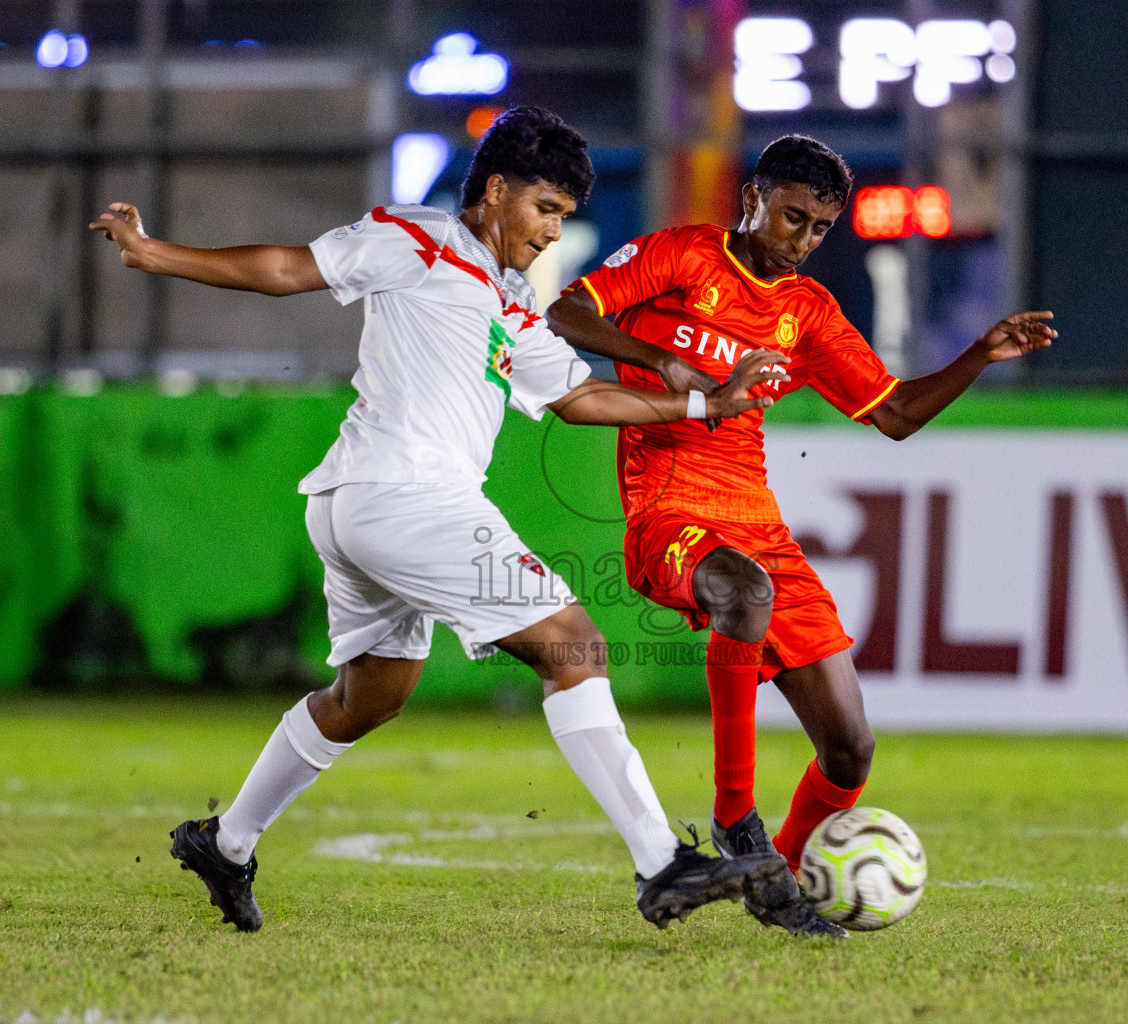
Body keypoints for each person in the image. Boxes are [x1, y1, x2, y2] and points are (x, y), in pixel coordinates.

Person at [90, 106, 790, 933]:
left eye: (563, 217)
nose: (550, 232)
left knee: (368, 698)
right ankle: (660, 862)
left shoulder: (512, 297)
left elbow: (579, 396)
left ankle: (227, 842)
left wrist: (707, 401)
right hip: (405, 495)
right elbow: (289, 268)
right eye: (544, 209)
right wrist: (152, 251)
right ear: (495, 191)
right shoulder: (417, 237)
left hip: (363, 506)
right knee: (578, 644)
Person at [545, 134, 1055, 938]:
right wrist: (662, 363)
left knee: (851, 749)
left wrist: (979, 355)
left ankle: (770, 877)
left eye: (821, 228)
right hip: (668, 512)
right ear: (753, 198)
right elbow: (564, 311)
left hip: (759, 525)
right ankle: (735, 820)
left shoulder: (806, 313)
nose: (804, 241)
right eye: (792, 218)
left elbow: (893, 415)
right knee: (743, 593)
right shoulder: (680, 257)